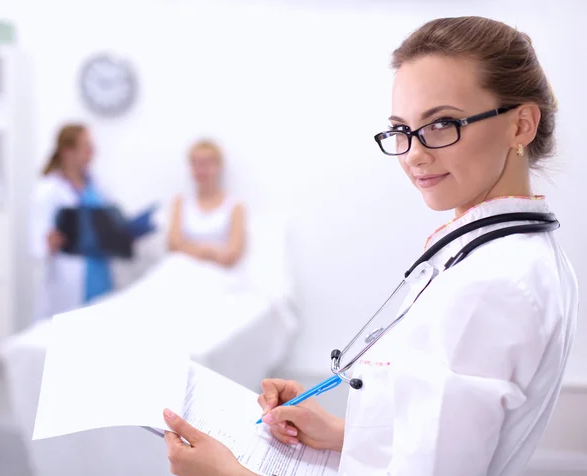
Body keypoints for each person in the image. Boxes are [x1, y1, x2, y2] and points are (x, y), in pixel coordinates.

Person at [161, 16, 578, 476]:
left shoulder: (493, 283)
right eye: (401, 129)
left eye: (441, 124)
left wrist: (229, 473)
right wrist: (343, 434)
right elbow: (449, 435)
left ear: (521, 125)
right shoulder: (514, 256)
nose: (415, 153)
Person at [31, 124, 155, 320]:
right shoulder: (50, 189)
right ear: (67, 151)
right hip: (70, 275)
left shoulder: (98, 185)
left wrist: (127, 231)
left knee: (98, 335)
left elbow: (113, 221)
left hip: (101, 271)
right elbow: (37, 242)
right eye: (87, 147)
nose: (92, 153)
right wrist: (48, 243)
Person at [167, 139, 246, 268]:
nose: (201, 169)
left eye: (207, 163)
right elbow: (173, 245)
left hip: (218, 274)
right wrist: (209, 252)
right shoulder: (180, 202)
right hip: (181, 268)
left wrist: (188, 248)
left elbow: (233, 253)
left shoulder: (234, 206)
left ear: (219, 166)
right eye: (196, 163)